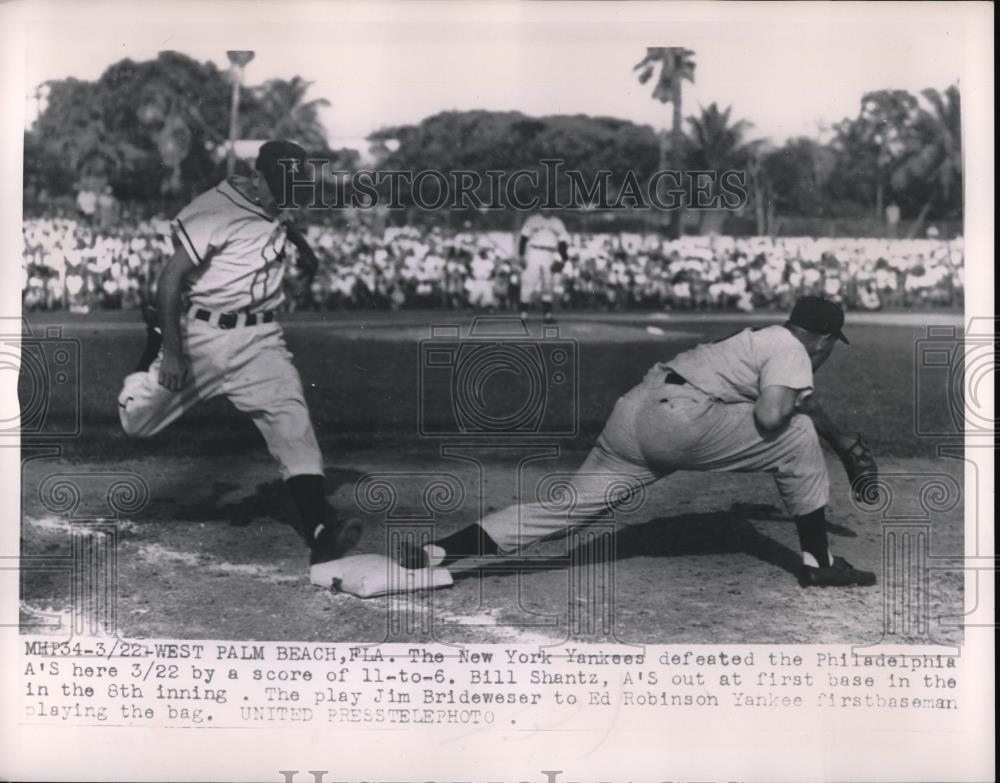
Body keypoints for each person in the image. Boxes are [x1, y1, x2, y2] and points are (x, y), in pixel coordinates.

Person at [399, 296, 878, 588]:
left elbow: (799, 400)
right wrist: (831, 441)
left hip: (634, 412)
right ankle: (819, 562)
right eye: (830, 344)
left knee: (565, 510)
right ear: (823, 340)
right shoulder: (794, 349)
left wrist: (841, 441)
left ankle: (442, 551)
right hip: (680, 421)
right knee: (795, 435)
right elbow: (774, 415)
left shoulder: (762, 338)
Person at [117, 140, 361, 565]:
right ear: (257, 175)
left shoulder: (275, 200)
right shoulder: (216, 208)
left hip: (261, 340)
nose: (287, 194)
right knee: (137, 422)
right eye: (281, 185)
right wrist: (171, 351)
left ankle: (319, 529)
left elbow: (283, 224)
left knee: (292, 422)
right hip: (203, 338)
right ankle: (153, 343)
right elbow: (170, 279)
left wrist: (307, 253)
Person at [517, 209, 570, 323]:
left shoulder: (557, 222)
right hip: (533, 252)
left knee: (548, 284)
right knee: (528, 282)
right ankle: (523, 315)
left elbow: (563, 243)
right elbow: (523, 238)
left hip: (549, 253)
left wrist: (563, 259)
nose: (547, 208)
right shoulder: (532, 220)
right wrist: (521, 255)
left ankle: (548, 315)